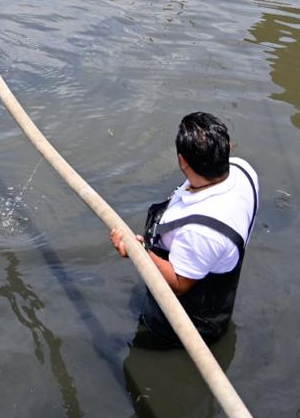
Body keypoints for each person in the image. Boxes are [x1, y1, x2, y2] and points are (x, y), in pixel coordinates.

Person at [110, 111, 258, 345]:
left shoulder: (201, 232)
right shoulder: (242, 170)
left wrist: (137, 251)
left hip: (187, 326)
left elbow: (179, 285)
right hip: (210, 282)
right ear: (228, 149)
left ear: (182, 161)